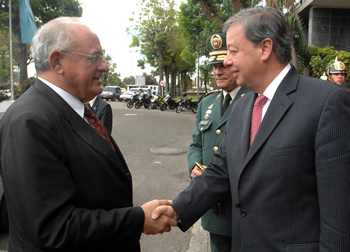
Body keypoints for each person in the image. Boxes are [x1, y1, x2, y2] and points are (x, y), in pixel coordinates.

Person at [153, 7, 350, 251]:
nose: (226, 61)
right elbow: (220, 170)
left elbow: (338, 214)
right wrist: (177, 208)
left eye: (233, 51)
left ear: (265, 48)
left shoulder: (326, 102)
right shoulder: (242, 106)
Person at [0, 17, 176, 252]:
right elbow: (53, 229)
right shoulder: (30, 121)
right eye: (95, 57)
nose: (105, 66)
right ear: (57, 61)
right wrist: (137, 219)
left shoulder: (75, 109)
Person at [188, 33, 250, 252]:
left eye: (222, 65)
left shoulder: (253, 99)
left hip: (240, 202)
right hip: (213, 204)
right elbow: (196, 143)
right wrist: (195, 168)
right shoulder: (207, 103)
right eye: (214, 66)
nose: (217, 71)